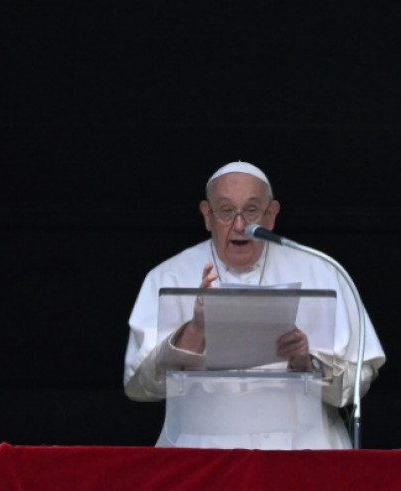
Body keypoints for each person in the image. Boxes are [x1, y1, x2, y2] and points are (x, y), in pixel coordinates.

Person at [124, 161, 385, 449]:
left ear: (271, 215)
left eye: (251, 211)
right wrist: (195, 330)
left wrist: (306, 362)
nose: (240, 226)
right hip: (198, 454)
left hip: (303, 452)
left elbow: (358, 382)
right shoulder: (167, 276)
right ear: (206, 215)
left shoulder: (323, 272)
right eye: (225, 211)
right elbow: (138, 385)